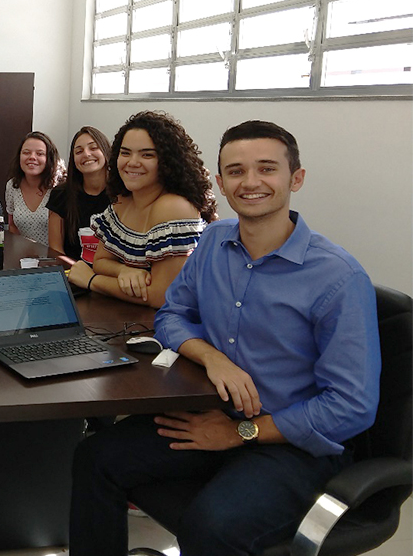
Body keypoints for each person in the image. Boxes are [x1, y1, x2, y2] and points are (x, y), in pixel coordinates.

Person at [69, 120, 381, 556]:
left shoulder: (339, 278)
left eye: (267, 169)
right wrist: (214, 358)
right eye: (235, 171)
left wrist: (242, 432)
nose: (250, 182)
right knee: (95, 458)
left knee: (211, 525)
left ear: (296, 178)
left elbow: (350, 407)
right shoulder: (214, 242)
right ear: (220, 182)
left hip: (291, 444)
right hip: (210, 415)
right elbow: (173, 315)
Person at [68, 112, 217, 308]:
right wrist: (124, 271)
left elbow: (161, 296)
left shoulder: (173, 206)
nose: (132, 162)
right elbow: (101, 260)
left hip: (171, 324)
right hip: (129, 316)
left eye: (147, 154)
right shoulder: (123, 200)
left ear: (167, 162)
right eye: (125, 152)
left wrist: (91, 280)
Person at [47, 126, 112, 262]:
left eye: (93, 148)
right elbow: (56, 251)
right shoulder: (60, 194)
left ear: (106, 151)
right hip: (73, 274)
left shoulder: (124, 194)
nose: (86, 154)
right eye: (79, 151)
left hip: (113, 276)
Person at [4, 131, 61, 246]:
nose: (32, 157)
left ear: (48, 158)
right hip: (23, 258)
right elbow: (12, 226)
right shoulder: (12, 186)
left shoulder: (58, 189)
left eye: (39, 154)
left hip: (52, 258)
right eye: (26, 153)